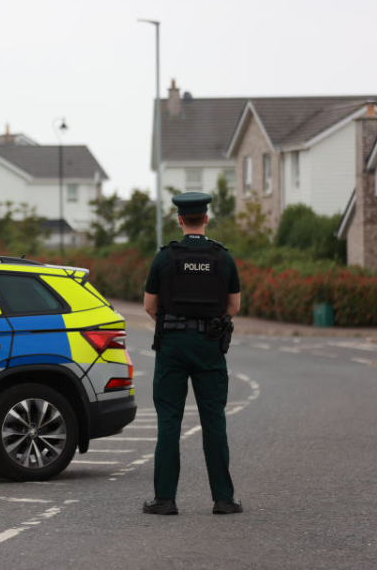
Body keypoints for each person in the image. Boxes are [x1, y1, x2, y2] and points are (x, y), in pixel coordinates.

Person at [142, 192, 243, 516]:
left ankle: (165, 500)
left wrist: (175, 324)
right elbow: (234, 306)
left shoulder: (164, 257)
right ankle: (223, 499)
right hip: (210, 348)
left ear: (180, 219)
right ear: (207, 219)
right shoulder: (223, 257)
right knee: (214, 420)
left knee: (169, 421)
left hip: (172, 346)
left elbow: (149, 306)